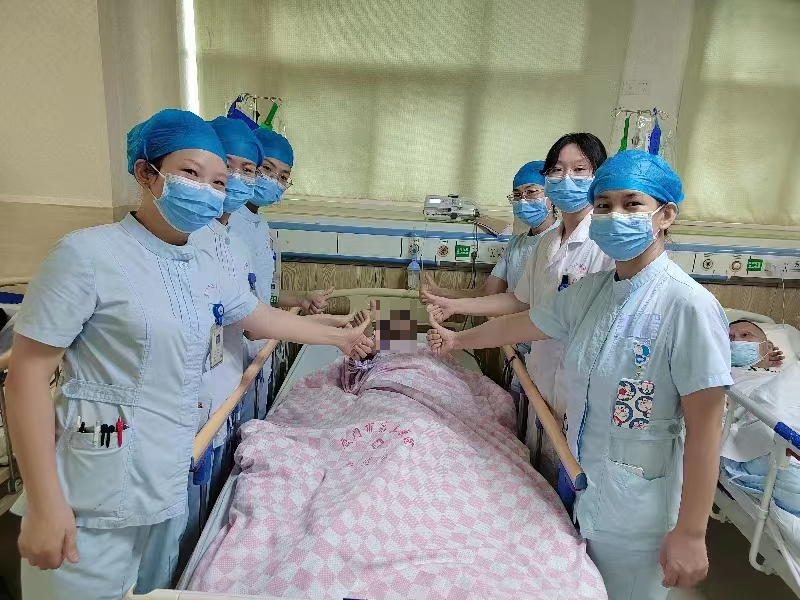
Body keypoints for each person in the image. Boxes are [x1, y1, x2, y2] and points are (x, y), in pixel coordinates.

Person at [5, 108, 371, 600]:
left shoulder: (202, 259)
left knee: (156, 589)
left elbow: (258, 316)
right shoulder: (86, 255)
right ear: (146, 173)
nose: (207, 191)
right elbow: (26, 378)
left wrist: (339, 337)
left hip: (167, 471)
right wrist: (46, 502)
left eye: (218, 182)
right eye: (190, 173)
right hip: (90, 485)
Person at [428, 150, 732, 599]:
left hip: (638, 513)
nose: (614, 215)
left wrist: (691, 532)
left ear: (665, 215)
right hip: (582, 484)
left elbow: (706, 430)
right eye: (604, 205)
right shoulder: (592, 293)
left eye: (631, 204)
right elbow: (523, 323)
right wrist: (457, 340)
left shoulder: (688, 306)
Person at [424, 133, 614, 482]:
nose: (566, 179)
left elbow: (540, 319)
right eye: (557, 170)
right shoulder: (544, 245)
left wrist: (459, 337)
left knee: (571, 483)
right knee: (538, 480)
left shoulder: (604, 246)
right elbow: (518, 300)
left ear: (598, 176)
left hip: (578, 387)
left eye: (579, 170)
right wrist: (453, 306)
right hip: (540, 376)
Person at [423, 160, 558, 299]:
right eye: (517, 195)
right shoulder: (515, 244)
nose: (523, 201)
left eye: (531, 192)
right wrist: (440, 293)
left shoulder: (563, 241)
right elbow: (488, 293)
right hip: (511, 311)